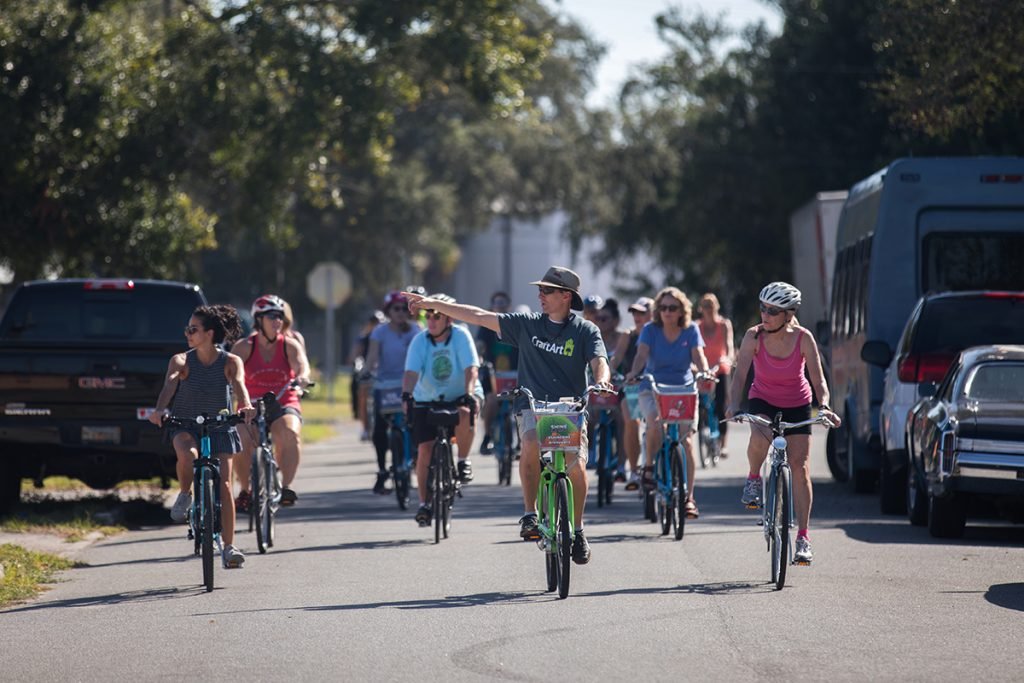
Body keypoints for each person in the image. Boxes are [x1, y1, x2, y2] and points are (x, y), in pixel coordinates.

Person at [406, 266, 611, 565]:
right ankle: (530, 514)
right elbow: (478, 316)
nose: (540, 296)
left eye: (547, 291)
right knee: (530, 442)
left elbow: (599, 360)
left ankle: (578, 531)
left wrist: (602, 380)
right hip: (532, 405)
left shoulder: (585, 330)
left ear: (566, 296)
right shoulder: (526, 324)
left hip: (569, 407)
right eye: (539, 290)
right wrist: (433, 304)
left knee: (576, 465)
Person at [727, 282, 840, 565]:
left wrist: (825, 406)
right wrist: (733, 405)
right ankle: (754, 478)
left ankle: (803, 537)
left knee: (800, 468)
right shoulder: (753, 336)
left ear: (789, 315)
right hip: (763, 398)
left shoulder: (804, 338)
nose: (765, 315)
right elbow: (740, 376)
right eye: (763, 308)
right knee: (760, 432)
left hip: (797, 402)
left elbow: (819, 380)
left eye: (773, 311)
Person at [148, 305, 255, 569]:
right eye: (187, 329)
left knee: (225, 485)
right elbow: (170, 384)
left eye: (193, 329)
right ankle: (185, 493)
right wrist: (160, 410)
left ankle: (229, 548)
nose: (187, 333)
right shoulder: (181, 360)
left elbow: (239, 384)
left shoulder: (230, 361)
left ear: (209, 334)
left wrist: (245, 405)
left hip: (220, 426)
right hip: (185, 424)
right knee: (188, 455)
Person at [625, 287, 711, 519]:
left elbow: (699, 356)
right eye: (663, 307)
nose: (667, 312)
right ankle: (649, 467)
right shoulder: (650, 330)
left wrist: (704, 372)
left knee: (687, 441)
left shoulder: (690, 330)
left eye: (672, 308)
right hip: (653, 388)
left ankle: (689, 498)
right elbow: (641, 355)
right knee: (654, 423)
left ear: (682, 310)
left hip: (683, 390)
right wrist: (634, 372)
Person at [401, 294, 484, 526]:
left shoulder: (461, 336)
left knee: (466, 413)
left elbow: (471, 369)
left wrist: (468, 393)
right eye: (428, 315)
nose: (431, 320)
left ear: (449, 319)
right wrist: (406, 394)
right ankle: (424, 505)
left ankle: (463, 461)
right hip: (427, 398)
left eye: (437, 315)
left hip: (460, 394)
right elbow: (410, 373)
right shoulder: (419, 340)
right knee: (425, 449)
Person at [231, 295, 312, 511]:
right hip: (251, 404)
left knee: (289, 433)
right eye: (272, 316)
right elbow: (229, 371)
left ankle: (286, 487)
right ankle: (245, 490)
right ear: (259, 319)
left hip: (283, 401)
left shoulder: (289, 345)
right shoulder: (244, 347)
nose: (278, 321)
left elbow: (302, 365)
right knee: (241, 440)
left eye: (280, 316)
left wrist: (302, 378)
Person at [364, 290, 422, 494]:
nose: (400, 313)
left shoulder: (416, 330)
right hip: (385, 385)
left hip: (410, 384)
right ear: (388, 311)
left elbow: (422, 356)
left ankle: (415, 462)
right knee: (379, 428)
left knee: (417, 424)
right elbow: (372, 357)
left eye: (404, 309)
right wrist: (365, 372)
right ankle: (382, 470)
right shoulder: (379, 332)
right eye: (396, 309)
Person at [613, 296, 653, 490]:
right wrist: (609, 373)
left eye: (642, 313)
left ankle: (658, 465)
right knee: (631, 421)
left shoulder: (659, 334)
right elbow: (616, 359)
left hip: (655, 387)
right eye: (635, 313)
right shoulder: (627, 336)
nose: (637, 317)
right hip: (631, 387)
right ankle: (634, 470)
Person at [477, 291, 518, 454]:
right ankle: (487, 436)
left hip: (515, 374)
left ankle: (521, 440)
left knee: (522, 405)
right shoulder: (486, 326)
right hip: (492, 373)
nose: (500, 307)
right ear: (492, 306)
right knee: (491, 402)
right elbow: (480, 345)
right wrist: (479, 359)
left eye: (503, 303)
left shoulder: (515, 324)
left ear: (509, 306)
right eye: (497, 303)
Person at [698, 293, 735, 457]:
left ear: (716, 307)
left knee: (721, 405)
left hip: (720, 368)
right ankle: (704, 431)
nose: (708, 310)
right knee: (700, 404)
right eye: (705, 306)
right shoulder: (697, 327)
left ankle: (723, 443)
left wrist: (727, 359)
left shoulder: (724, 325)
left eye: (711, 306)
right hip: (703, 369)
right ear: (701, 309)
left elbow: (729, 346)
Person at [592, 298, 626, 481]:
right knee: (587, 415)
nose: (600, 322)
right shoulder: (592, 337)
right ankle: (590, 453)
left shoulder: (622, 338)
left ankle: (621, 465)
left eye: (604, 319)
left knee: (622, 420)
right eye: (598, 318)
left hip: (619, 389)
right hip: (597, 389)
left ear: (615, 321)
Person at [349, 310, 387, 441]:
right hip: (368, 373)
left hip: (384, 373)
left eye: (380, 322)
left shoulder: (388, 337)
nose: (377, 325)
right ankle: (365, 427)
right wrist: (358, 365)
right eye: (374, 322)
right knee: (362, 393)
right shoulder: (363, 339)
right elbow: (355, 355)